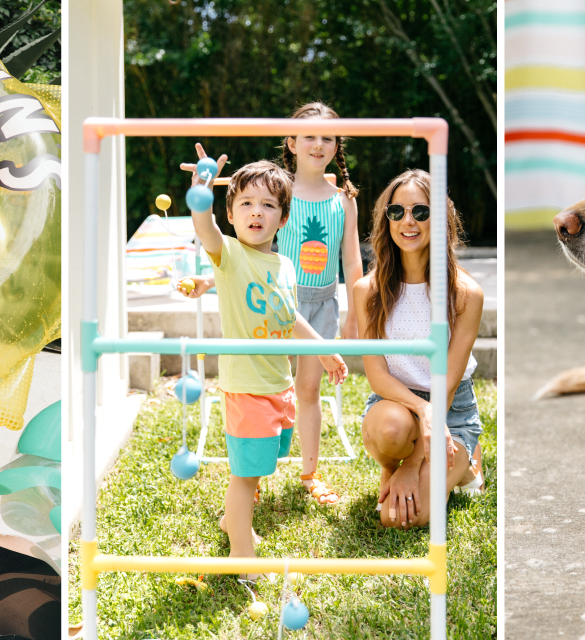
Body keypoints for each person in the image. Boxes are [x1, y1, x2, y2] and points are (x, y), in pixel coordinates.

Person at [178, 102, 363, 506]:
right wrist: (211, 277)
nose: (318, 144)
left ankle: (309, 472)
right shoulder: (277, 190)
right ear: (291, 142)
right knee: (268, 393)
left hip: (319, 303)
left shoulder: (342, 199)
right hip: (277, 307)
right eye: (308, 135)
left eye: (327, 137)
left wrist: (353, 316)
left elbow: (350, 261)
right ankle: (250, 479)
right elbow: (244, 259)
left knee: (305, 392)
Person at [185, 146, 347, 578]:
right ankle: (242, 553)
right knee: (243, 476)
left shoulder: (284, 265)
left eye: (268, 205)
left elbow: (287, 316)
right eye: (246, 204)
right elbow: (206, 229)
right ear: (232, 214)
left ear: (283, 217)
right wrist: (201, 189)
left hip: (280, 386)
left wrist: (323, 349)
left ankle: (231, 522)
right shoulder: (230, 256)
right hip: (247, 389)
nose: (256, 213)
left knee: (258, 470)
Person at [353, 169, 485, 529]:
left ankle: (467, 459)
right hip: (394, 403)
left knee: (396, 519)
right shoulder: (367, 291)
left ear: (439, 219)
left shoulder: (465, 295)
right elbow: (378, 375)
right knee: (393, 429)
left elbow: (450, 380)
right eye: (397, 212)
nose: (407, 221)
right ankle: (389, 467)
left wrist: (414, 465)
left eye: (421, 212)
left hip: (449, 408)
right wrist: (421, 412)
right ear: (387, 220)